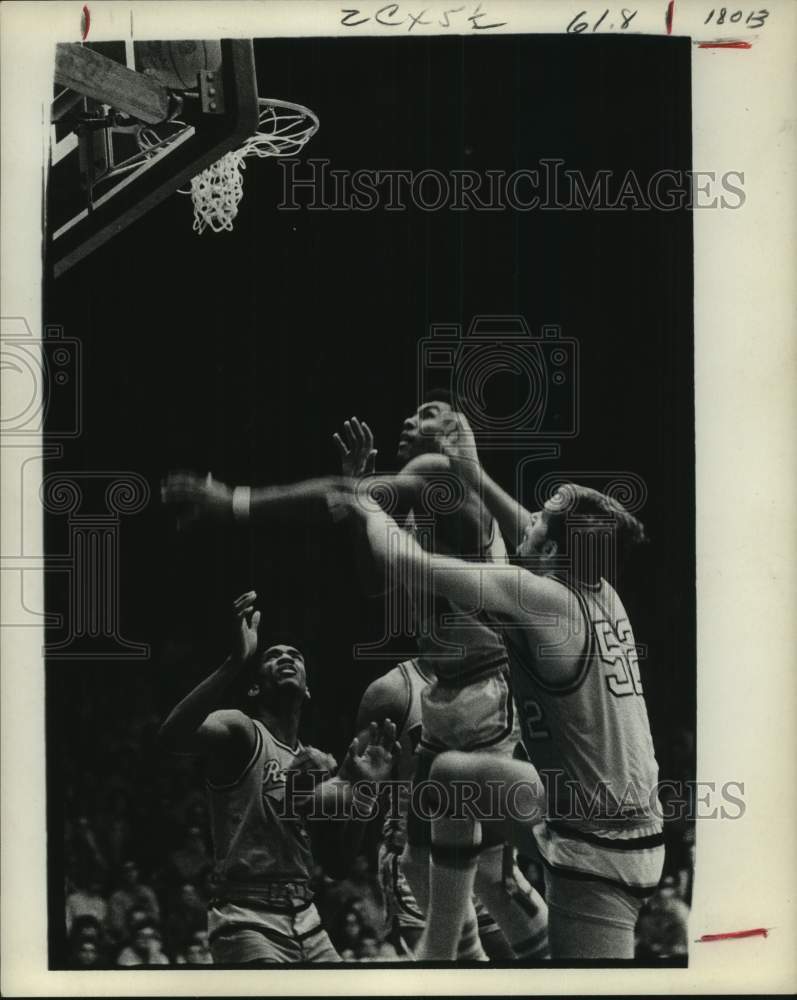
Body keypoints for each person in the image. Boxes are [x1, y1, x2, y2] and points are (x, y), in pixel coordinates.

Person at [161, 397, 549, 961]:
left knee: (455, 870)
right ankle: (512, 960)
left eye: (429, 413)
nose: (409, 419)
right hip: (454, 691)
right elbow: (373, 583)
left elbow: (334, 498)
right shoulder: (422, 502)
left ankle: (535, 961)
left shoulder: (437, 473)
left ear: (452, 435)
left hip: (483, 688)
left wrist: (235, 501)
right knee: (452, 870)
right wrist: (360, 499)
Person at [350, 413, 665, 959]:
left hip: (604, 849)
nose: (530, 519)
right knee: (449, 776)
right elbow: (529, 532)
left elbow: (402, 560)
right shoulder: (594, 584)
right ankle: (447, 952)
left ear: (551, 551)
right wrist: (473, 467)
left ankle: (456, 954)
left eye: (542, 518)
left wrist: (365, 498)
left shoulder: (538, 596)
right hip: (588, 806)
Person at [158, 590, 399, 965]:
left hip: (307, 919)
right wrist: (234, 662)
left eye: (295, 656)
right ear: (255, 687)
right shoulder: (242, 732)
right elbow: (171, 737)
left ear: (307, 689)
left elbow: (336, 864)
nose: (286, 657)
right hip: (246, 916)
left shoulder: (317, 763)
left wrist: (365, 793)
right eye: (273, 655)